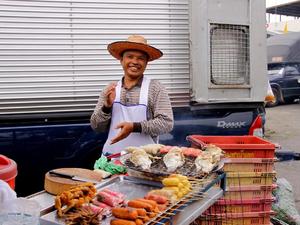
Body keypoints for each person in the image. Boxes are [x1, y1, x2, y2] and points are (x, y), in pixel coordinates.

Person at [90, 35, 174, 155]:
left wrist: (134, 127)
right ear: (121, 60)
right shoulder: (111, 89)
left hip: (145, 162)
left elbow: (167, 123)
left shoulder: (155, 88)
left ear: (146, 62)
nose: (134, 62)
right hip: (112, 159)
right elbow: (96, 127)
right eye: (130, 57)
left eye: (140, 58)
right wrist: (106, 107)